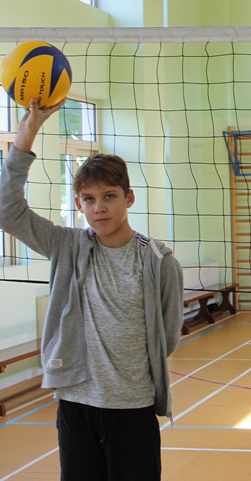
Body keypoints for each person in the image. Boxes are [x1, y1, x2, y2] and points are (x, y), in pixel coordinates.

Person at [0, 100, 184, 481]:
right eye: (88, 199)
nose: (99, 208)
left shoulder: (159, 261)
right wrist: (28, 130)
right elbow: (6, 210)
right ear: (80, 203)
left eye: (109, 196)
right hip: (76, 402)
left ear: (128, 198)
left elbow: (166, 335)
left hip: (133, 406)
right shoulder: (66, 245)